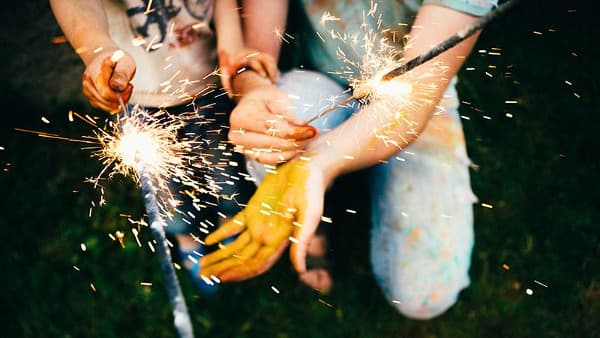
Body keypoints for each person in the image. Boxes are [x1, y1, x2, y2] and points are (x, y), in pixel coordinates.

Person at [199, 0, 497, 319]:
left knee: (424, 295)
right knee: (276, 126)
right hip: (323, 81)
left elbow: (414, 100)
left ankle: (334, 184)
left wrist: (319, 163)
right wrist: (255, 87)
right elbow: (257, 57)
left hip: (418, 96)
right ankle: (310, 225)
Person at [48, 0, 287, 293]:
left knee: (226, 171)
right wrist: (98, 50)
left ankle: (231, 227)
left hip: (212, 85)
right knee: (167, 190)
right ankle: (188, 241)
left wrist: (233, 44)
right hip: (142, 97)